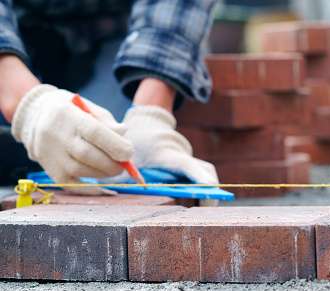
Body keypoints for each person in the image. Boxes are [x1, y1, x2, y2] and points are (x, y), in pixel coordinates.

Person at [0, 0, 219, 194]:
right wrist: (30, 106)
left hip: (124, 37)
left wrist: (151, 113)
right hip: (15, 31)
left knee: (105, 151)